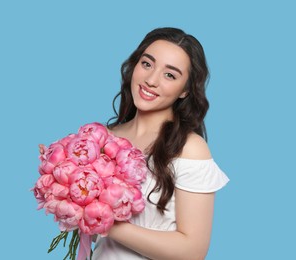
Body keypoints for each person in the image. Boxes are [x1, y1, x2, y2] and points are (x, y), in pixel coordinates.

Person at [92, 27, 229, 260]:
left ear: (185, 91)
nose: (151, 80)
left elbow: (193, 251)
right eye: (147, 64)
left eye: (170, 75)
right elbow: (90, 236)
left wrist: (105, 222)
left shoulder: (189, 149)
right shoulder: (103, 138)